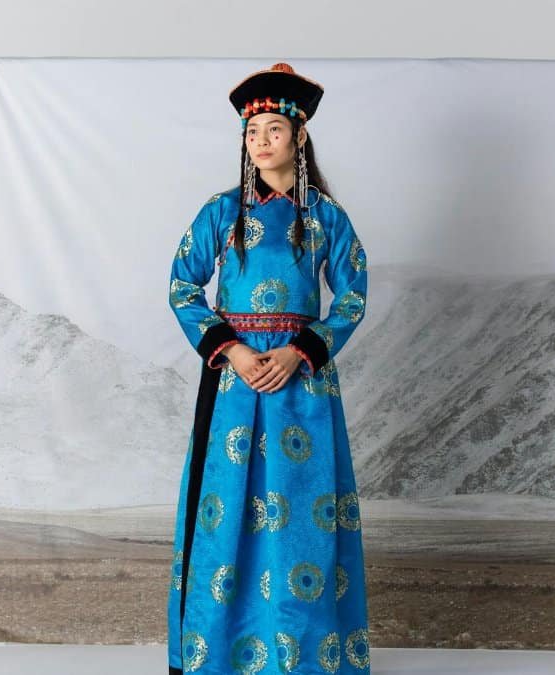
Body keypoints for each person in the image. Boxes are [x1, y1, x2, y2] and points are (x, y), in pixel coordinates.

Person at [165, 62, 371, 674]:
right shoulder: (221, 212)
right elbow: (182, 287)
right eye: (252, 132)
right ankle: (219, 653)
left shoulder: (327, 218)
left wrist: (299, 350)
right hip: (234, 381)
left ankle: (305, 656)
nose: (261, 141)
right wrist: (232, 349)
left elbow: (353, 296)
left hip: (300, 384)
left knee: (301, 514)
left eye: (274, 129)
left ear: (299, 136)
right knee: (226, 509)